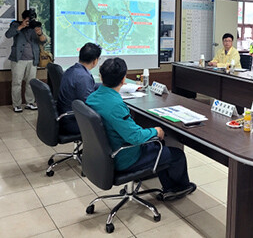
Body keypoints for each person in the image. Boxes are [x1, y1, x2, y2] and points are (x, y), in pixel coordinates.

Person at [86, 58, 196, 200]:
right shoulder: (115, 105)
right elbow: (135, 137)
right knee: (177, 155)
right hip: (124, 158)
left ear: (101, 76)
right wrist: (156, 131)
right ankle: (177, 188)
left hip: (103, 154)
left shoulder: (92, 97)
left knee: (159, 146)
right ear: (123, 79)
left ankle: (166, 183)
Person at [5, 9, 47, 112]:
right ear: (24, 19)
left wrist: (40, 33)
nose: (31, 21)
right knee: (17, 83)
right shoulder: (15, 25)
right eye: (28, 19)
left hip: (33, 59)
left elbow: (44, 41)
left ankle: (30, 102)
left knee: (30, 82)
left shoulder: (36, 26)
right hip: (18, 59)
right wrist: (21, 26)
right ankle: (17, 104)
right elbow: (8, 34)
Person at [57, 43, 102, 135]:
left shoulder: (72, 70)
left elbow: (90, 86)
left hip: (66, 116)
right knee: (109, 122)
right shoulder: (83, 76)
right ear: (95, 61)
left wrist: (106, 86)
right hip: (73, 121)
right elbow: (89, 104)